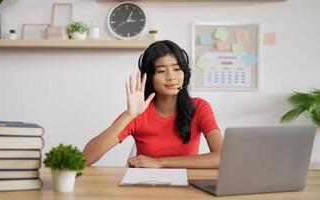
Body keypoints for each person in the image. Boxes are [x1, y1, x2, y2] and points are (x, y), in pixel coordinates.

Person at [83, 40, 223, 168]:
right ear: (149, 78)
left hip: (186, 187)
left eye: (177, 69)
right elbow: (85, 158)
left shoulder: (199, 107)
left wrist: (160, 162)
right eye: (161, 71)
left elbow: (221, 157)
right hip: (146, 188)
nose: (171, 77)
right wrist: (129, 115)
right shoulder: (138, 112)